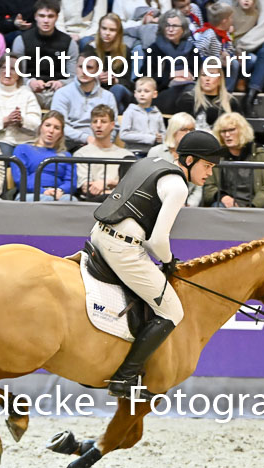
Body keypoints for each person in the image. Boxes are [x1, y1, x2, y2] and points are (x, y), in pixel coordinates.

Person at [91, 129, 223, 398]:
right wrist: (169, 261)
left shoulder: (149, 163)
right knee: (172, 311)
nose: (210, 173)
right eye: (207, 165)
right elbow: (158, 241)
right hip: (122, 249)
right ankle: (125, 377)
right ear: (189, 160)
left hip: (97, 235)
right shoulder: (178, 187)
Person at [203, 111, 264, 207]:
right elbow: (208, 187)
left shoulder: (261, 155)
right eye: (223, 131)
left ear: (242, 131)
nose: (227, 135)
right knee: (217, 206)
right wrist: (222, 197)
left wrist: (254, 206)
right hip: (227, 205)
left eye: (231, 130)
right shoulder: (216, 157)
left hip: (256, 205)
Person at [11, 0, 78, 108]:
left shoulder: (69, 43)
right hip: (29, 90)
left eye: (50, 16)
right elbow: (17, 74)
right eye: (42, 16)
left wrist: (62, 83)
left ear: (57, 17)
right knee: (20, 92)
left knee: (72, 94)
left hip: (58, 91)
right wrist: (30, 82)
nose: (46, 20)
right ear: (35, 16)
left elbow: (73, 77)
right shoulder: (21, 40)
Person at [50, 50, 117, 150]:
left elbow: (114, 126)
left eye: (89, 67)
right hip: (69, 146)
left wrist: (103, 143)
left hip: (100, 146)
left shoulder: (108, 96)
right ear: (75, 68)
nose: (84, 71)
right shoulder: (62, 94)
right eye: (81, 67)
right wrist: (86, 138)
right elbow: (59, 125)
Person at [0, 53, 41, 153]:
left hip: (26, 141)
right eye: (4, 68)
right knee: (4, 153)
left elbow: (37, 123)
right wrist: (5, 121)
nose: (8, 72)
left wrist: (22, 120)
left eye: (13, 69)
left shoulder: (27, 94)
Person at [73, 104, 135, 201]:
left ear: (112, 125)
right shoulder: (81, 154)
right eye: (95, 121)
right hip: (94, 202)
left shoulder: (126, 155)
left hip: (121, 203)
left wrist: (107, 182)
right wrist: (115, 187)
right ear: (91, 125)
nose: (98, 125)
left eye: (103, 121)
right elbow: (86, 188)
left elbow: (130, 188)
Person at [11, 109, 74, 200]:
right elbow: (20, 179)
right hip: (30, 193)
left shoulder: (66, 155)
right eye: (47, 125)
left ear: (61, 133)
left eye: (56, 128)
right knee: (48, 200)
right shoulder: (22, 149)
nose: (51, 130)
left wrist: (61, 190)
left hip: (59, 194)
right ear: (40, 127)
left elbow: (71, 182)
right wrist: (43, 191)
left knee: (71, 200)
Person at [147, 111, 201, 205]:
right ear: (173, 131)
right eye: (184, 129)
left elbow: (198, 187)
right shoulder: (155, 152)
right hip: (159, 204)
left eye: (192, 130)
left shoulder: (197, 154)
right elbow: (149, 183)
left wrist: (190, 204)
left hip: (187, 206)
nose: (189, 133)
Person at [90, 13, 134, 110]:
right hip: (96, 91)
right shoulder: (90, 48)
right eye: (104, 28)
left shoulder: (125, 51)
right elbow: (81, 76)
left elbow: (128, 82)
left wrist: (115, 80)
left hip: (118, 92)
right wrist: (95, 77)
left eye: (112, 30)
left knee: (117, 89)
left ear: (118, 33)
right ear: (99, 29)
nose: (107, 33)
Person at [175, 71, 241, 131]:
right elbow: (178, 127)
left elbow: (240, 128)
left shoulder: (231, 101)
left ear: (220, 79)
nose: (207, 79)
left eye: (212, 75)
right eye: (204, 75)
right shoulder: (187, 99)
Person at [119, 76, 165, 153]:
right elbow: (123, 135)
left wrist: (161, 138)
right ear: (135, 94)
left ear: (154, 94)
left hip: (154, 153)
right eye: (139, 91)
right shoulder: (130, 111)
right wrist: (149, 138)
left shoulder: (157, 113)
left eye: (146, 91)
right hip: (134, 152)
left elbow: (164, 133)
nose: (142, 94)